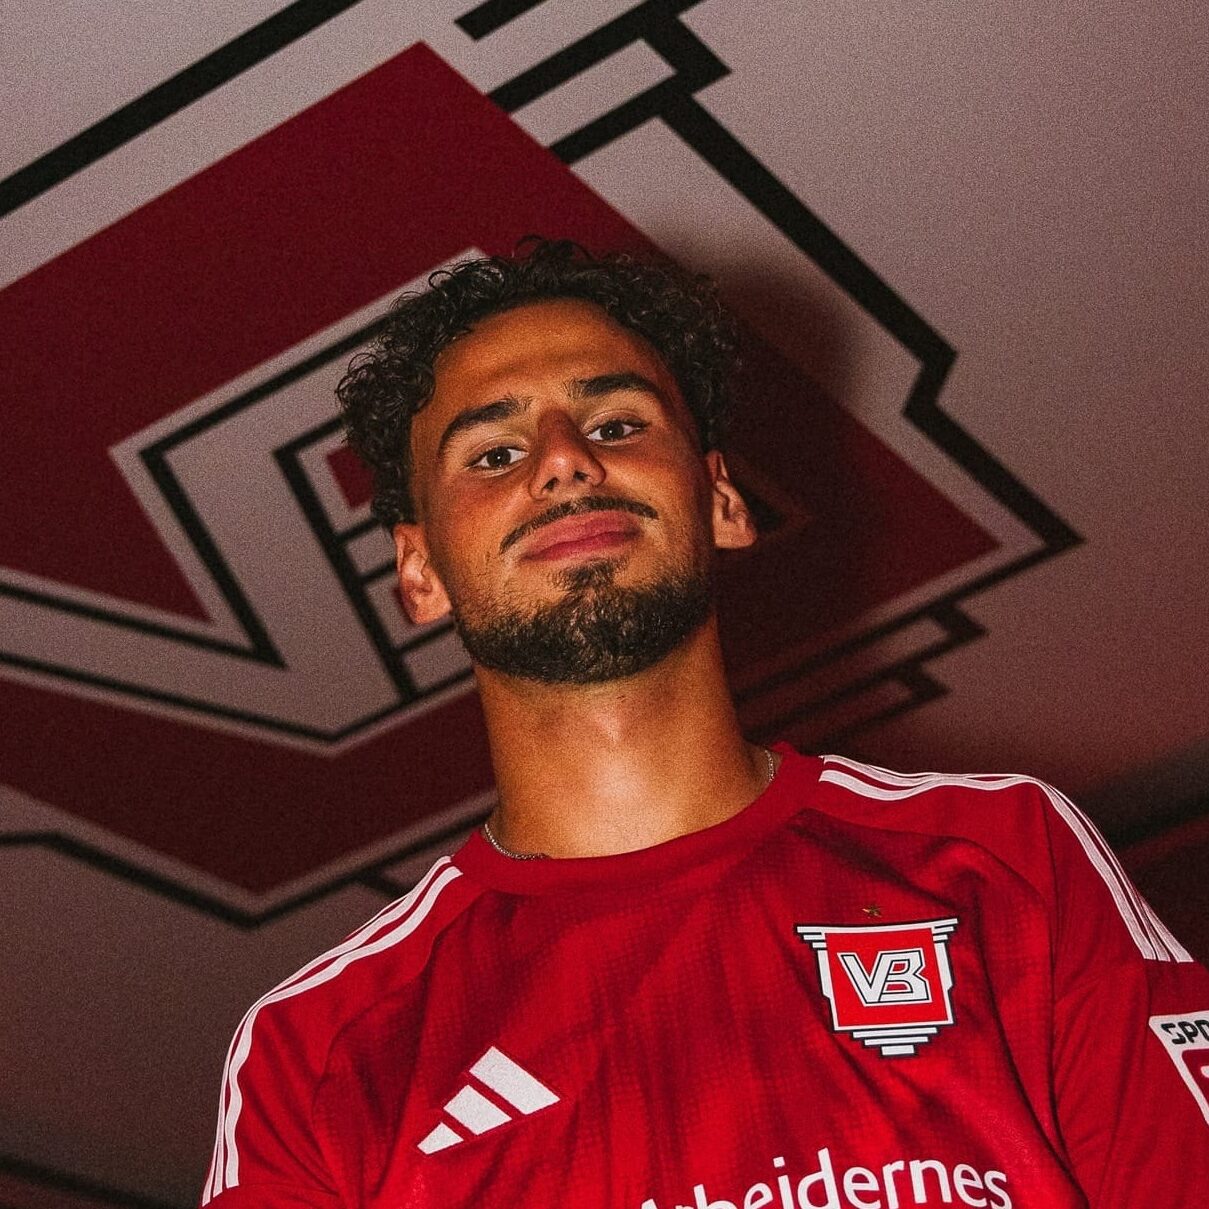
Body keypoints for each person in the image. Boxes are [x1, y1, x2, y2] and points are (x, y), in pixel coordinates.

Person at [200, 241, 1209, 1208]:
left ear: (721, 498)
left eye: (617, 425)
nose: (564, 461)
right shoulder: (319, 1049)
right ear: (420, 571)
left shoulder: (1005, 857)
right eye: (496, 452)